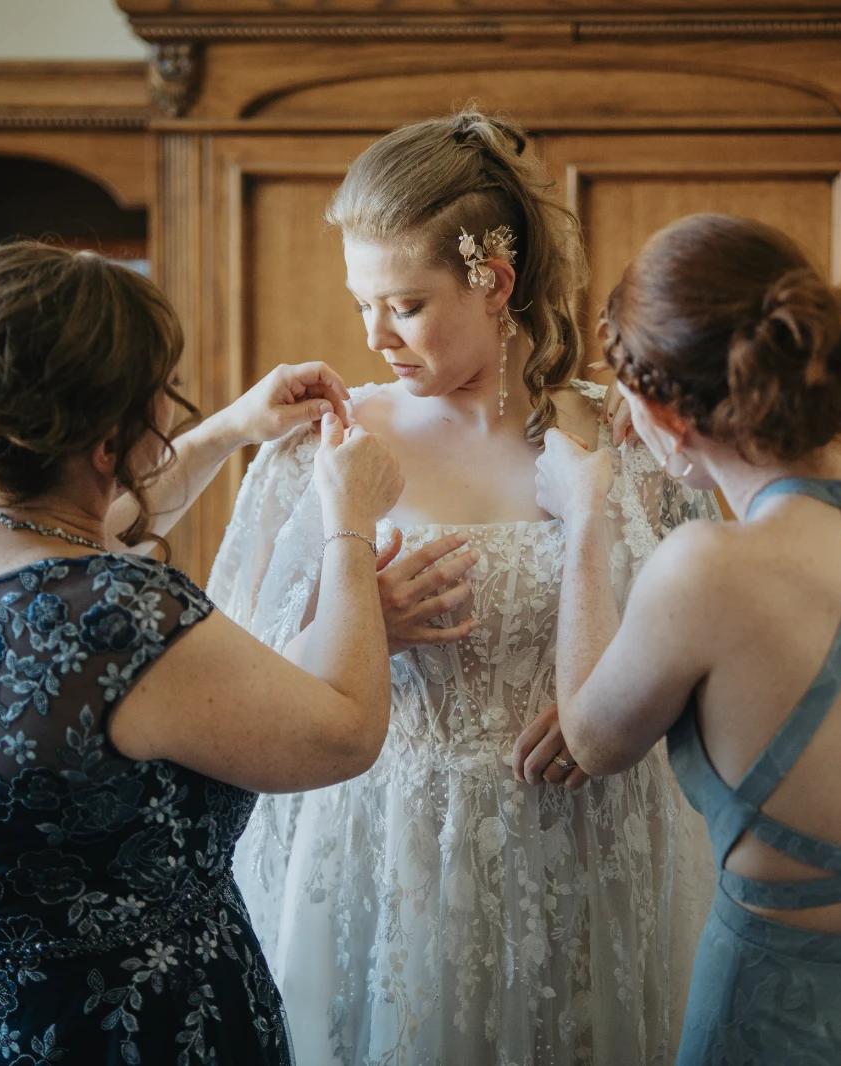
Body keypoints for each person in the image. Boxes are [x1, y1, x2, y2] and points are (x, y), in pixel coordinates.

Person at [0, 241, 405, 1066]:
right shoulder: (119, 619)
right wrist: (350, 517)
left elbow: (74, 524)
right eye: (159, 396)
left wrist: (231, 429)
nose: (169, 410)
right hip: (97, 1028)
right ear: (108, 442)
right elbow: (344, 729)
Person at [213, 109, 718, 1065]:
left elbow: (711, 635)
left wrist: (620, 710)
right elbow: (242, 682)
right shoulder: (325, 447)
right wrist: (364, 618)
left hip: (589, 852)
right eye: (362, 303)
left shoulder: (629, 440)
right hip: (388, 851)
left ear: (497, 283)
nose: (375, 337)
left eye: (404, 305)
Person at [537, 213, 841, 1064]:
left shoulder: (708, 573)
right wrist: (674, 409)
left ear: (661, 409)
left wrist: (586, 517)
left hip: (788, 1020)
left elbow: (588, 737)